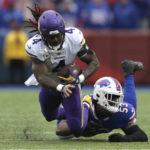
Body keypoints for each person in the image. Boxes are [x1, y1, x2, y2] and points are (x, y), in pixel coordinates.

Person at [24, 4, 100, 137]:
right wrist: (60, 87)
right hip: (50, 82)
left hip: (70, 81)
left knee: (78, 129)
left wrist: (79, 79)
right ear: (42, 35)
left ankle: (85, 104)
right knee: (49, 115)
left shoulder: (74, 37)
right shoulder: (34, 46)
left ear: (63, 31)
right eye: (50, 37)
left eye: (58, 35)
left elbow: (94, 62)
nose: (55, 39)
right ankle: (77, 113)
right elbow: (41, 77)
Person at [56, 59, 148, 142]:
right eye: (110, 97)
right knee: (65, 137)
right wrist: (81, 126)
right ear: (99, 95)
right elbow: (60, 130)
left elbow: (141, 136)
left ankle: (129, 72)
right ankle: (74, 86)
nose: (115, 102)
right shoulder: (84, 105)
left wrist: (124, 139)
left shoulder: (120, 112)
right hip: (71, 114)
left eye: (116, 98)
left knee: (131, 113)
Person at [3, 19, 29, 84]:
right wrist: (6, 58)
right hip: (12, 56)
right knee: (11, 73)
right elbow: (6, 48)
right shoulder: (9, 35)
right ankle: (11, 86)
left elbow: (27, 47)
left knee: (22, 73)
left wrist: (27, 58)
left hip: (21, 57)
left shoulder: (24, 35)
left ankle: (23, 86)